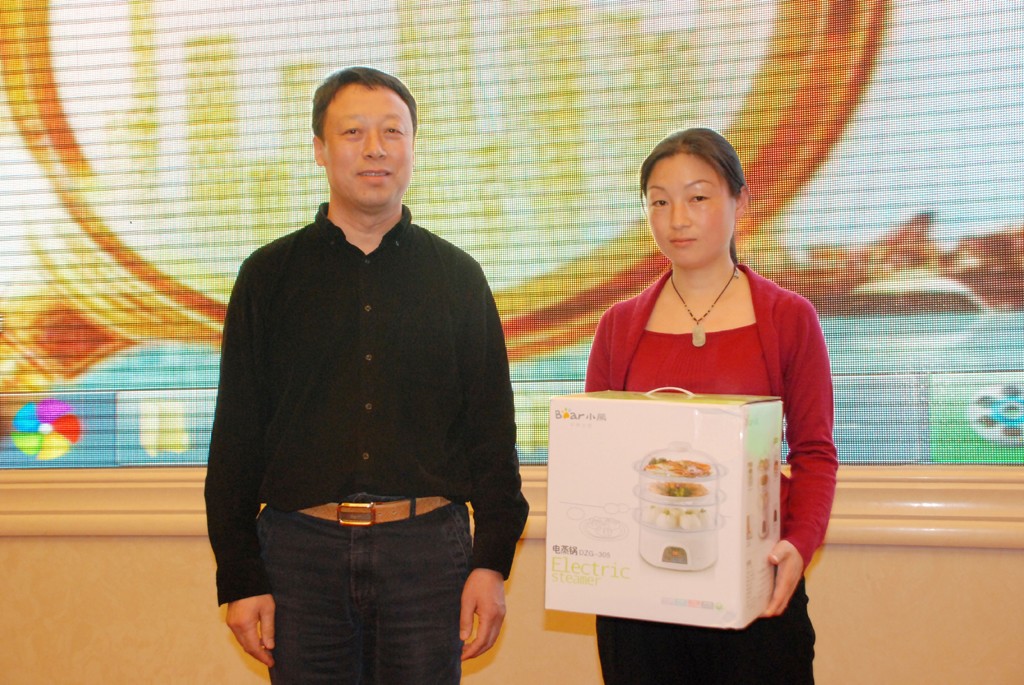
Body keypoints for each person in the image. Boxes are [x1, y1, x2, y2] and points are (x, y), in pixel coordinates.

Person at [204, 66, 529, 684]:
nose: (375, 148)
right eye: (353, 132)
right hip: (299, 554)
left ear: (413, 147)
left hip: (427, 554)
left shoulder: (457, 277)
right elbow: (236, 440)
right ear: (320, 149)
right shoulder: (268, 277)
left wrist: (491, 563)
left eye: (392, 132)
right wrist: (241, 577)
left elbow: (492, 435)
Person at [585, 127, 838, 684]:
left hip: (756, 591)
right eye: (659, 202)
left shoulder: (788, 318)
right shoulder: (617, 326)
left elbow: (815, 453)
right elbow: (597, 457)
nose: (677, 218)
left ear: (740, 202)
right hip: (639, 601)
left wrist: (799, 544)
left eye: (697, 197)